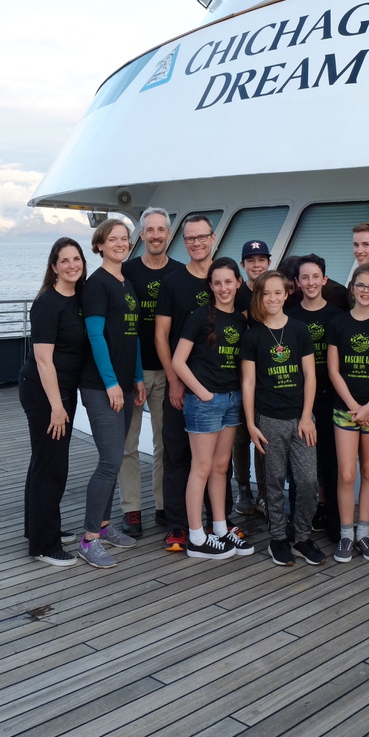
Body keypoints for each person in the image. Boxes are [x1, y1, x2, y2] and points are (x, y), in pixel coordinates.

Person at [241, 270, 325, 567]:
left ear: (287, 294)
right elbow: (249, 383)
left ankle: (301, 536)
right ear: (259, 298)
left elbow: (310, 375)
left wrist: (307, 417)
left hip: (301, 419)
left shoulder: (300, 329)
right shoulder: (252, 336)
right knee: (274, 482)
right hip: (269, 420)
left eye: (278, 292)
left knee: (307, 481)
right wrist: (251, 423)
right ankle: (278, 537)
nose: (273, 298)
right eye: (267, 294)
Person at [172, 257, 252, 560]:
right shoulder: (198, 317)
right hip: (205, 402)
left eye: (228, 282)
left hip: (231, 400)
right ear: (211, 286)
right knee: (201, 467)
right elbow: (179, 360)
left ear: (238, 283)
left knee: (221, 467)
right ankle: (196, 537)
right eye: (217, 283)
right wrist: (203, 393)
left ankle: (220, 528)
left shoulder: (241, 320)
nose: (223, 288)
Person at [77, 219, 145, 569]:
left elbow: (130, 337)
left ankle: (104, 528)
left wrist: (136, 379)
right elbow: (96, 336)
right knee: (109, 461)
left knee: (116, 457)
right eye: (112, 239)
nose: (120, 243)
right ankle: (88, 539)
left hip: (124, 383)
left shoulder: (127, 283)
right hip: (100, 385)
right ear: (100, 245)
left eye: (124, 238)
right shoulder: (96, 285)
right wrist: (111, 383)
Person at [18, 238, 89, 566]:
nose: (72, 265)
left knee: (44, 460)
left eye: (77, 259)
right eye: (65, 260)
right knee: (52, 466)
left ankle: (39, 528)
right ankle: (45, 546)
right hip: (46, 392)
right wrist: (58, 406)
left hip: (61, 390)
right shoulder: (48, 303)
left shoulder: (77, 298)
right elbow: (43, 360)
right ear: (54, 266)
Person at [119, 207, 184, 537]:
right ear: (141, 235)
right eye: (150, 230)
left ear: (169, 234)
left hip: (169, 371)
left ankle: (162, 505)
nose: (156, 235)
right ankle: (131, 508)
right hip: (133, 371)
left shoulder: (180, 274)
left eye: (162, 229)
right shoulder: (126, 272)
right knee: (128, 444)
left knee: (165, 443)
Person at [155, 213, 216, 551]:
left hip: (217, 386)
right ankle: (178, 524)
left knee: (214, 461)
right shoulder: (173, 283)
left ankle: (214, 519)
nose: (195, 243)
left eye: (201, 237)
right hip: (181, 384)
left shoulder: (223, 278)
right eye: (190, 238)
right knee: (177, 455)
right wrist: (174, 380)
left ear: (213, 238)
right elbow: (162, 336)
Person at [327, 264, 369, 564]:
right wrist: (355, 407)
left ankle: (363, 532)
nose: (366, 291)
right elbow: (333, 369)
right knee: (346, 473)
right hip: (345, 410)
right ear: (352, 288)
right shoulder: (337, 323)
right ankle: (345, 533)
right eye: (360, 285)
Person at [288, 254, 343, 542]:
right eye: (304, 278)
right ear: (297, 283)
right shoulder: (291, 317)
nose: (310, 282)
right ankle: (298, 524)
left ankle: (334, 523)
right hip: (299, 402)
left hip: (330, 400)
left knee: (331, 465)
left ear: (324, 279)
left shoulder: (336, 317)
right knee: (300, 468)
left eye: (315, 277)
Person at [233, 239, 272, 516]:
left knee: (263, 437)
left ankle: (265, 492)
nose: (256, 264)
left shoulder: (273, 291)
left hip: (268, 378)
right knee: (240, 437)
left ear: (269, 262)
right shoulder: (236, 294)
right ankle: (244, 488)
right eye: (251, 260)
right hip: (237, 374)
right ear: (243, 264)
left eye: (261, 259)